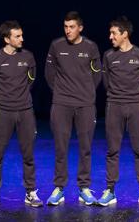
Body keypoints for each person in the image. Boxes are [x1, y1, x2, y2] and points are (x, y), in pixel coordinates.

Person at [96, 16, 139, 207]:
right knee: (112, 150)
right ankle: (110, 191)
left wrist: (137, 98)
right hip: (114, 106)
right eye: (110, 32)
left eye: (114, 33)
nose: (110, 36)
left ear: (125, 34)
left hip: (136, 107)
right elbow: (105, 82)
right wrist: (117, 97)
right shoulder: (108, 56)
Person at [0, 20, 43, 209]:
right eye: (17, 36)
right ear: (7, 39)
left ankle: (30, 192)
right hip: (3, 112)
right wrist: (5, 102)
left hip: (25, 112)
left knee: (28, 155)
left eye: (21, 35)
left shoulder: (28, 57)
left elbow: (31, 80)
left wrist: (20, 99)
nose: (22, 39)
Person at [45, 11, 102, 206]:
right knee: (61, 147)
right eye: (65, 27)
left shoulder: (91, 47)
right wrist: (62, 93)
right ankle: (59, 188)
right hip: (61, 104)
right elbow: (49, 74)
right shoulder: (56, 46)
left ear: (80, 28)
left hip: (85, 105)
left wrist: (84, 93)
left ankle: (84, 188)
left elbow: (97, 76)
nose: (68, 30)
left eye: (72, 27)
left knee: (85, 147)